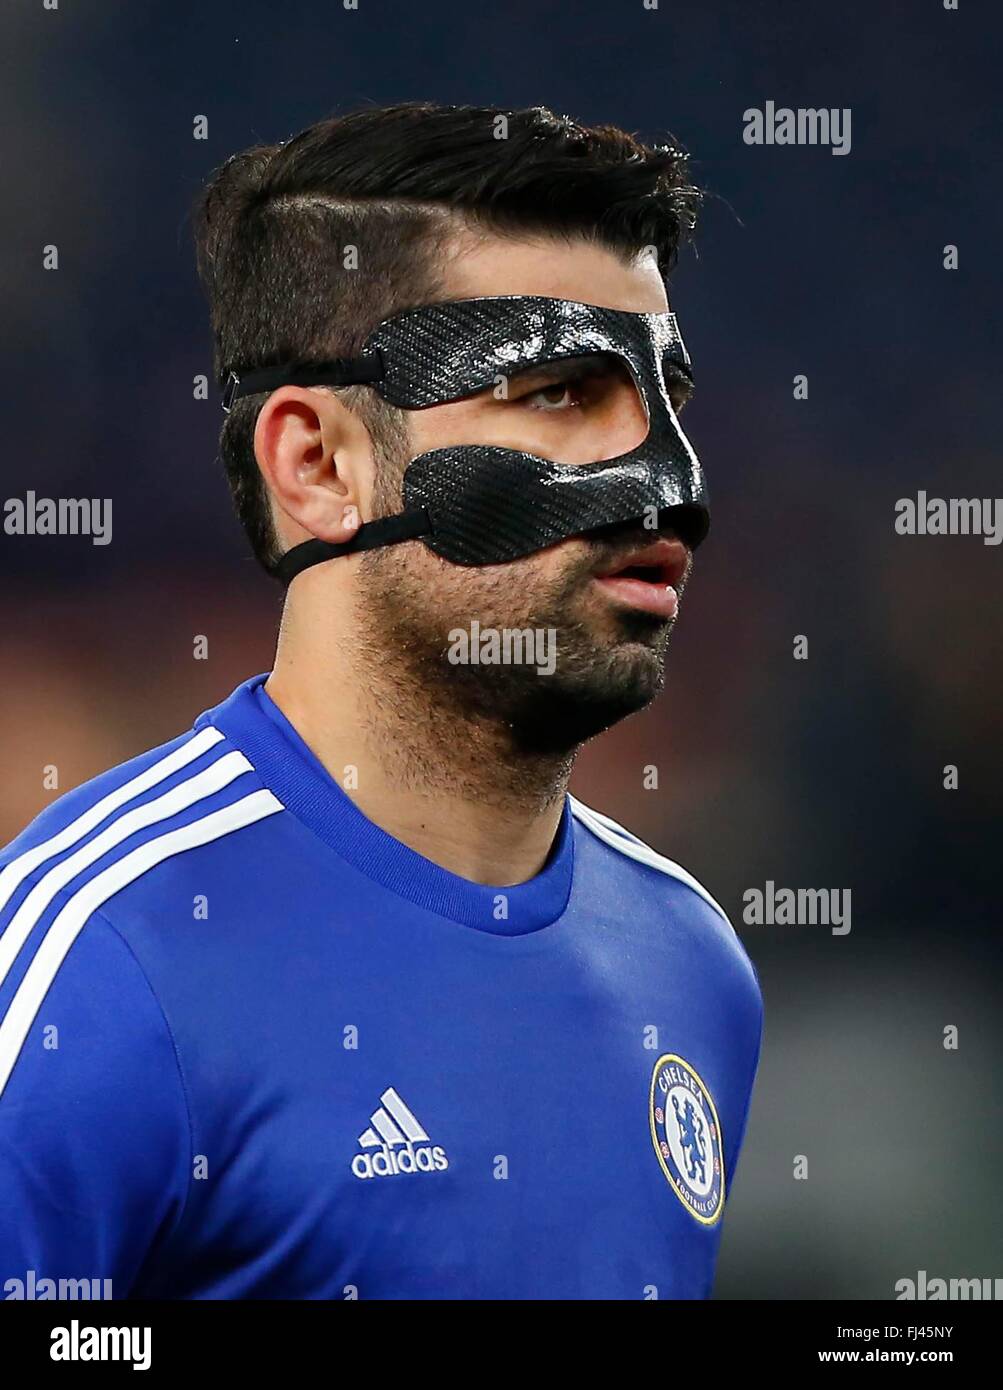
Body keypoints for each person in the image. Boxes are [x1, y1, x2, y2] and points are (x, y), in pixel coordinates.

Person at [0, 101, 762, 1300]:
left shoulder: (693, 962)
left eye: (667, 398)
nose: (667, 486)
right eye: (561, 392)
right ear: (319, 466)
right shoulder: (97, 959)